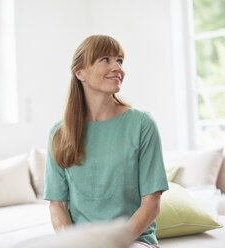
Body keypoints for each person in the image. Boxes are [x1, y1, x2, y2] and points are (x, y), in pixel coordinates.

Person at [42, 34, 169, 248]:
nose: (117, 67)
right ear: (80, 72)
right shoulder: (59, 133)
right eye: (105, 60)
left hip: (133, 241)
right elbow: (58, 205)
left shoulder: (142, 124)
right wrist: (72, 244)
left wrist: (113, 243)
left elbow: (151, 204)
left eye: (119, 61)